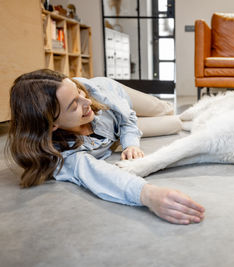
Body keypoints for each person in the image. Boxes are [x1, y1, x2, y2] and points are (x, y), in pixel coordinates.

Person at [6, 69, 205, 225]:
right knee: (174, 123)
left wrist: (130, 144)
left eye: (79, 92)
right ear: (52, 125)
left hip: (118, 101)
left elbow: (128, 119)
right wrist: (148, 194)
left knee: (167, 109)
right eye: (74, 105)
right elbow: (97, 173)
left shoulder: (93, 94)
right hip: (114, 132)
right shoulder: (62, 153)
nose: (87, 102)